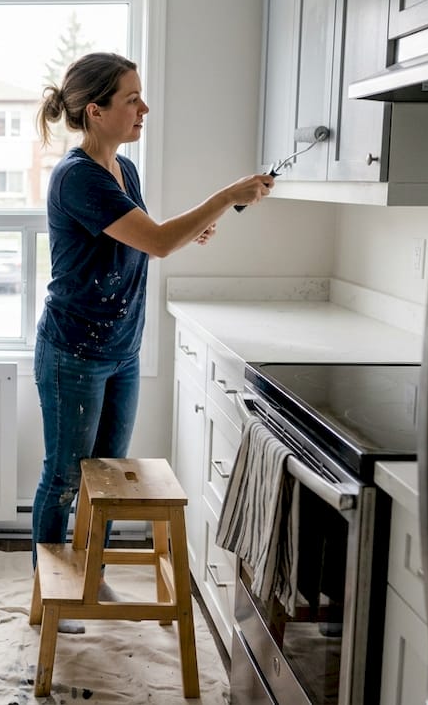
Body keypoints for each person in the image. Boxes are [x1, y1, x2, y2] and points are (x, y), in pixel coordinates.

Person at [31, 52, 274, 633]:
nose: (145, 108)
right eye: (132, 99)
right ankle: (50, 589)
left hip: (120, 347)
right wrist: (225, 195)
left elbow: (143, 237)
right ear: (96, 111)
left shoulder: (124, 170)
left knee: (107, 476)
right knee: (65, 477)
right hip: (73, 352)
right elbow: (160, 242)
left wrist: (196, 227)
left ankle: (89, 575)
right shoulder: (76, 176)